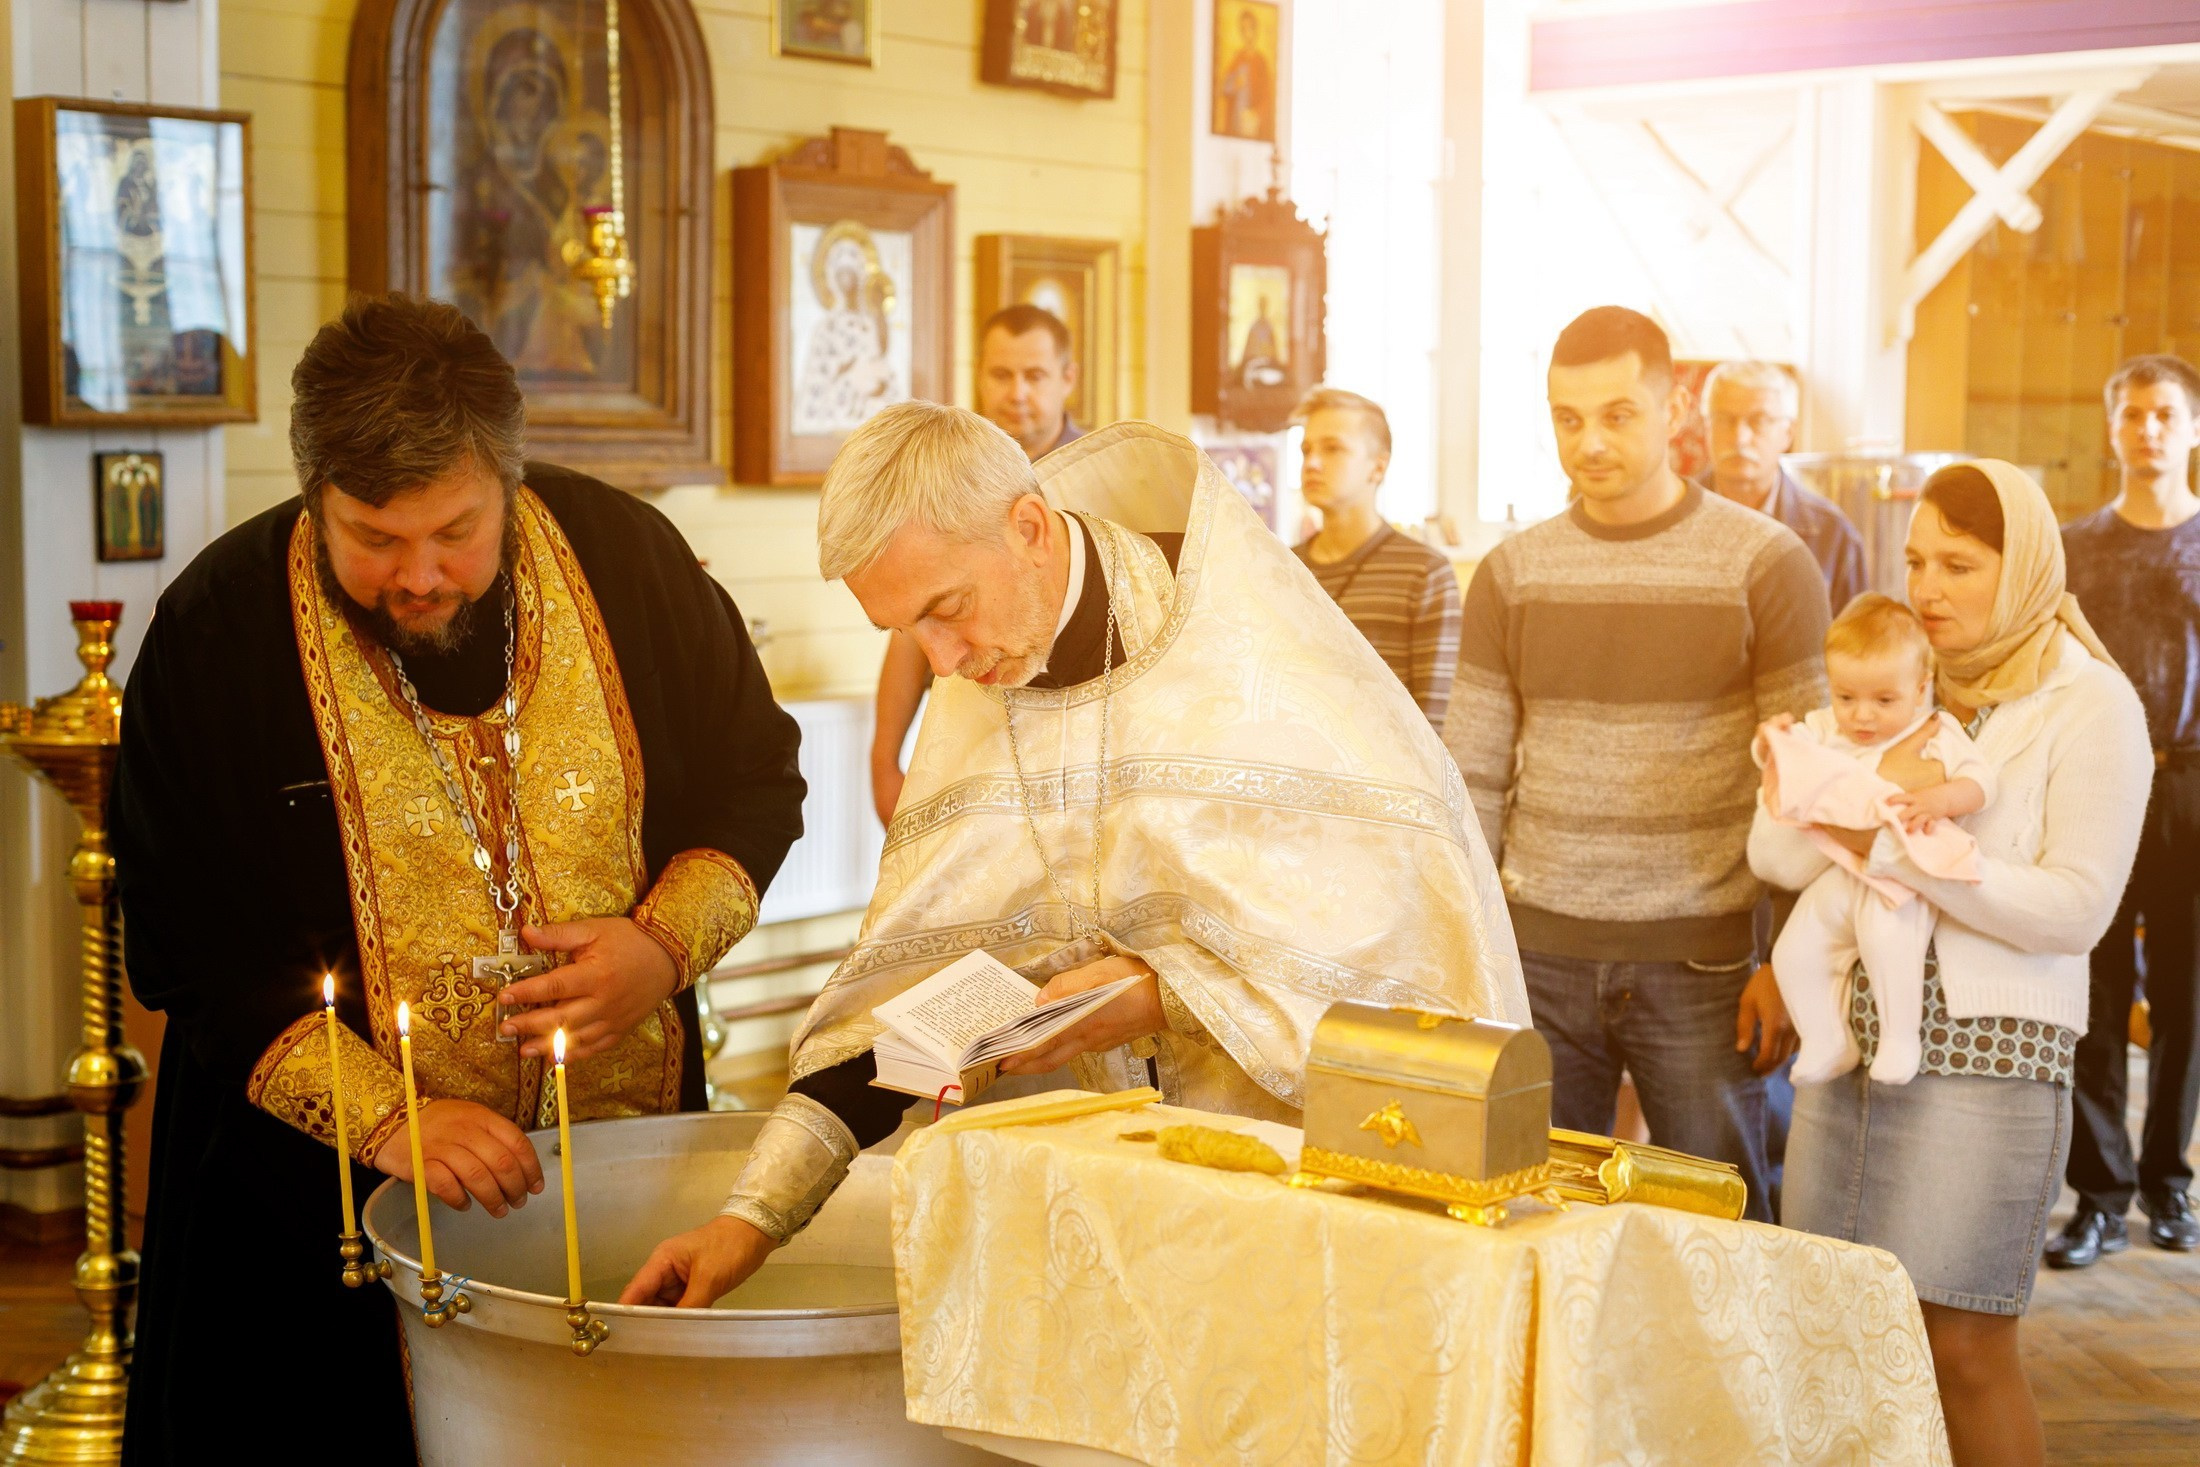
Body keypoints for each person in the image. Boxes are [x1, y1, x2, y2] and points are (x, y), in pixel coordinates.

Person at [621, 404, 1530, 1307]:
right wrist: (750, 1219)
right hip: (1123, 1220)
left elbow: (1402, 958)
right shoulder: (984, 683)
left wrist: (1161, 995)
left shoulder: (1248, 654)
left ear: (1027, 527)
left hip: (1314, 1207)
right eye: (907, 631)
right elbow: (926, 1020)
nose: (942, 662)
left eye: (946, 609)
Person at [111, 295, 807, 1463]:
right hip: (311, 1211)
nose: (420, 576)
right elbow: (187, 937)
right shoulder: (217, 627)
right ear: (316, 492)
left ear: (507, 481)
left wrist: (660, 948)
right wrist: (386, 1118)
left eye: (455, 531)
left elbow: (755, 782)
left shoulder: (630, 563)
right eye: (374, 538)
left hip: (618, 1160)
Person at [1757, 460, 2149, 1467]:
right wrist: (1790, 778)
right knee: (1835, 1335)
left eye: (1960, 566)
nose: (1928, 588)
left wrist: (1908, 855)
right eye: (1917, 561)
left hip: (1991, 1057)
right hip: (1854, 1051)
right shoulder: (1891, 682)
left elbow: (2077, 908)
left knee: (1960, 1347)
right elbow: (1783, 860)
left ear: (2023, 569)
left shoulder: (2089, 702)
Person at [1444, 306, 1826, 1221]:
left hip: (1703, 962)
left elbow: (1810, 789)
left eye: (1617, 415)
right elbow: (1474, 778)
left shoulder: (1766, 562)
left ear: (1674, 408)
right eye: (1568, 418)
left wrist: (1789, 959)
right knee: (1536, 1217)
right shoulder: (1511, 573)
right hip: (1539, 956)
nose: (1590, 442)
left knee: (1719, 1227)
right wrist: (1468, 950)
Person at [2050, 353, 2200, 1267]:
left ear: (2193, 428)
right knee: (2095, 988)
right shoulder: (2075, 547)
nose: (2148, 429)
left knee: (2187, 993)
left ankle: (2168, 1182)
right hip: (2102, 780)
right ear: (2111, 428)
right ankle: (2099, 1196)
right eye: (2133, 414)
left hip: (2193, 783)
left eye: (2165, 414)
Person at [1754, 594, 1995, 1086]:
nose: (1862, 716)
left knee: (1888, 939)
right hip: (1840, 870)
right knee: (1794, 952)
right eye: (1846, 697)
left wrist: (1938, 799)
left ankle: (1901, 1038)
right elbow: (1789, 761)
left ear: (1921, 687)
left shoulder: (1936, 730)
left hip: (1900, 875)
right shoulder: (1824, 726)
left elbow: (1982, 783)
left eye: (1884, 701)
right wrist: (1769, 744)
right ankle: (1826, 1038)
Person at [869, 304, 1085, 826]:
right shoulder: (943, 480)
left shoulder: (1099, 479)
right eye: (1001, 374)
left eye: (1034, 375)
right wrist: (883, 762)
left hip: (1076, 760)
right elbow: (915, 625)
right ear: (980, 377)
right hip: (971, 746)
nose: (1017, 393)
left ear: (1068, 378)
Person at [1290, 387, 1461, 727]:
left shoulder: (1425, 573)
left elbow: (1435, 721)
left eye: (1333, 448)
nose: (1312, 463)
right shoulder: (1282, 566)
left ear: (1378, 467)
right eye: (1306, 450)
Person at [1699, 359, 1870, 616]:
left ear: (1788, 433)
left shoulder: (1834, 535)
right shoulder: (1670, 518)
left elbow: (1856, 638)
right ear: (1706, 427)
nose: (1740, 438)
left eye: (1759, 421)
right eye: (1724, 419)